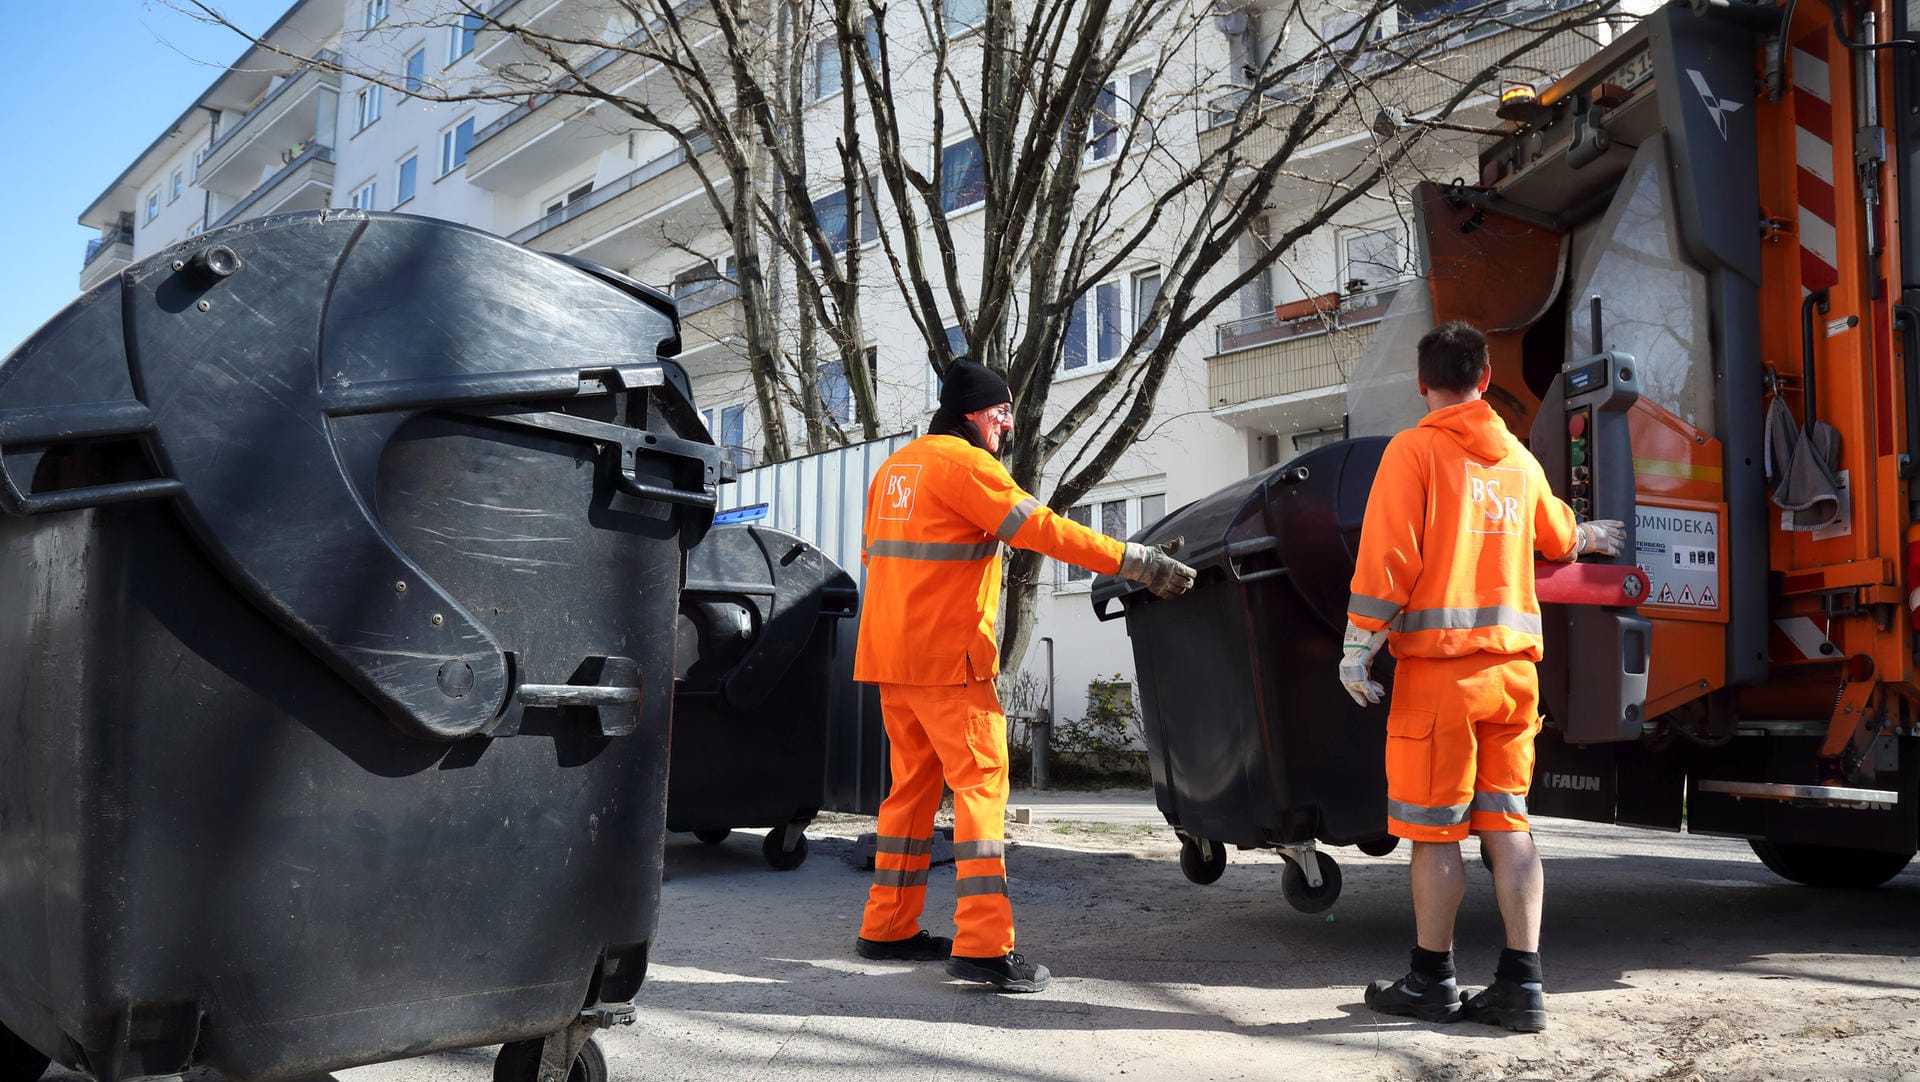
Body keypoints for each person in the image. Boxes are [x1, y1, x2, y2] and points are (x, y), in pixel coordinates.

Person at [853, 357, 1196, 992]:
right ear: (970, 414)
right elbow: (1040, 527)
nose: (1006, 425)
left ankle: (888, 926)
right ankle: (983, 946)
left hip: (892, 661)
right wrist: (1135, 561)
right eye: (999, 412)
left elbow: (877, 558)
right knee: (982, 789)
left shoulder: (893, 471)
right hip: (948, 663)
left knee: (910, 796)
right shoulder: (966, 465)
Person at [1339, 322, 1624, 1033]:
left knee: (1435, 834)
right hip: (1513, 680)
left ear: (1420, 382)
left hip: (1442, 678)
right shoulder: (1519, 462)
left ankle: (1431, 980)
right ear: (1489, 375)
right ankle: (1521, 987)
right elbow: (1557, 534)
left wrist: (1357, 646)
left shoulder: (1416, 450)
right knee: (1509, 825)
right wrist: (1590, 535)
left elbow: (1389, 558)